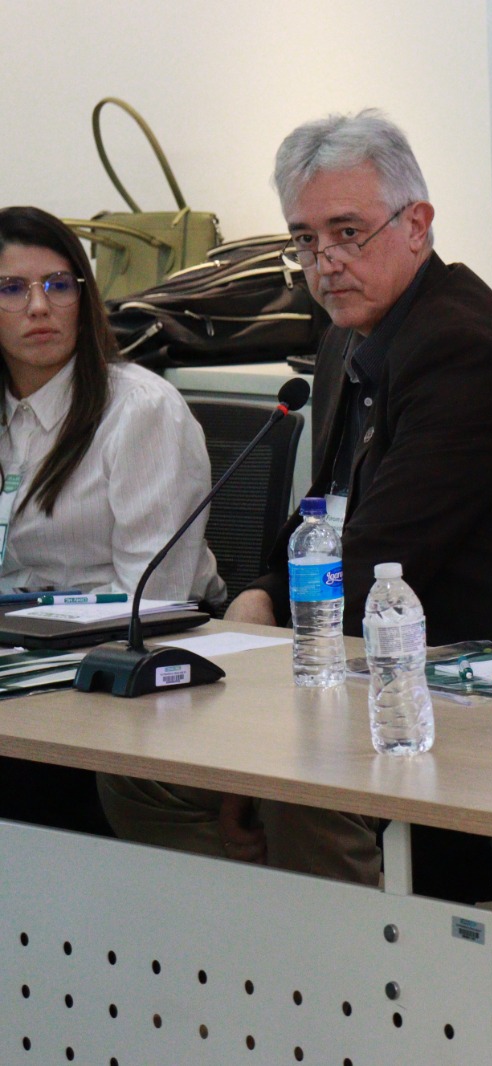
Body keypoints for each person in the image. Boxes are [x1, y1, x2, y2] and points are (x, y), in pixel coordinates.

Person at [98, 109, 492, 886]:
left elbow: (380, 555)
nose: (325, 262)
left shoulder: (460, 348)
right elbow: (324, 514)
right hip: (389, 663)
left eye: (348, 232)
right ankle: (254, 955)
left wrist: (263, 641)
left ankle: (354, 980)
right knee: (139, 774)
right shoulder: (347, 337)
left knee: (309, 790)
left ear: (416, 224)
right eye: (305, 239)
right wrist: (256, 595)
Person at [0, 205, 224, 834]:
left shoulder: (139, 412)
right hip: (21, 662)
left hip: (115, 670)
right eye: (12, 289)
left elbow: (152, 607)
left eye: (58, 285)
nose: (39, 308)